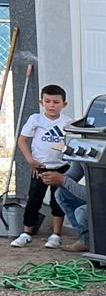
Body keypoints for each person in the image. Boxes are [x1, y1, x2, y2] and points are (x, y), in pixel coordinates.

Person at [12, 83, 73, 249]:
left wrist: (62, 149)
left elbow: (69, 145)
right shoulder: (35, 119)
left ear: (64, 104)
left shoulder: (67, 122)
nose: (51, 105)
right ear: (42, 102)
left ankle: (56, 235)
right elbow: (22, 140)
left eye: (56, 102)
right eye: (48, 101)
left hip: (61, 167)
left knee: (57, 200)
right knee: (34, 199)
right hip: (40, 168)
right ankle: (26, 233)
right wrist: (30, 160)